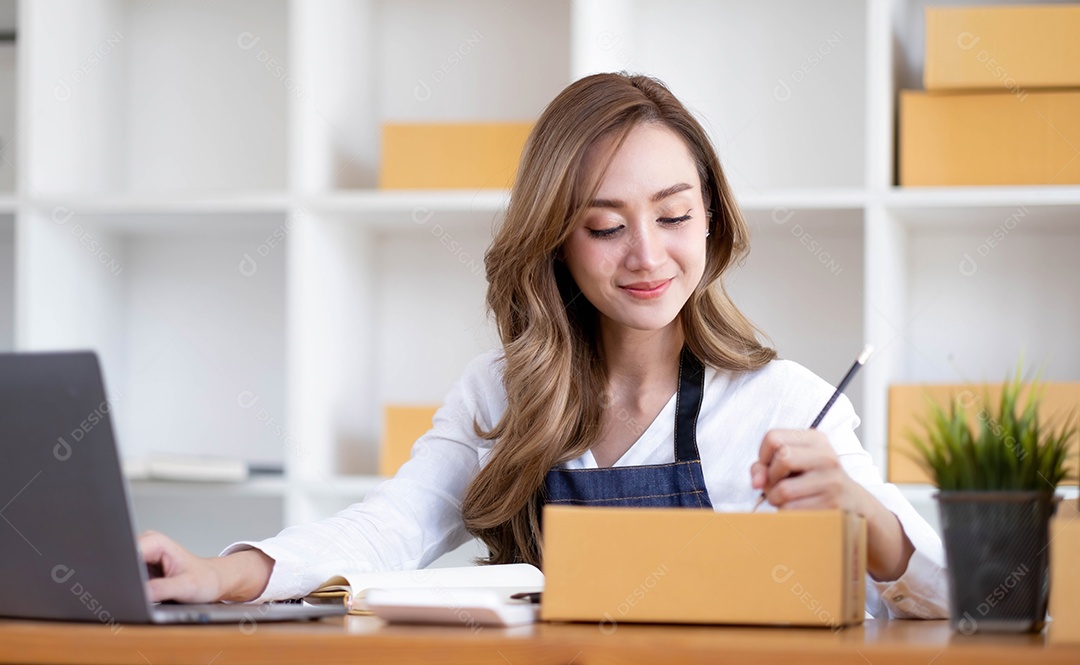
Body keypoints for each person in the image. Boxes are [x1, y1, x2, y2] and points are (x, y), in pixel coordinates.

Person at [139, 72, 948, 619]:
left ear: (712, 218)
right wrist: (220, 574)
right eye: (604, 225)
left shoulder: (786, 401)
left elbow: (962, 604)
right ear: (556, 240)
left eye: (673, 215)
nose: (646, 254)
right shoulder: (503, 392)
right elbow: (390, 528)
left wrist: (865, 515)